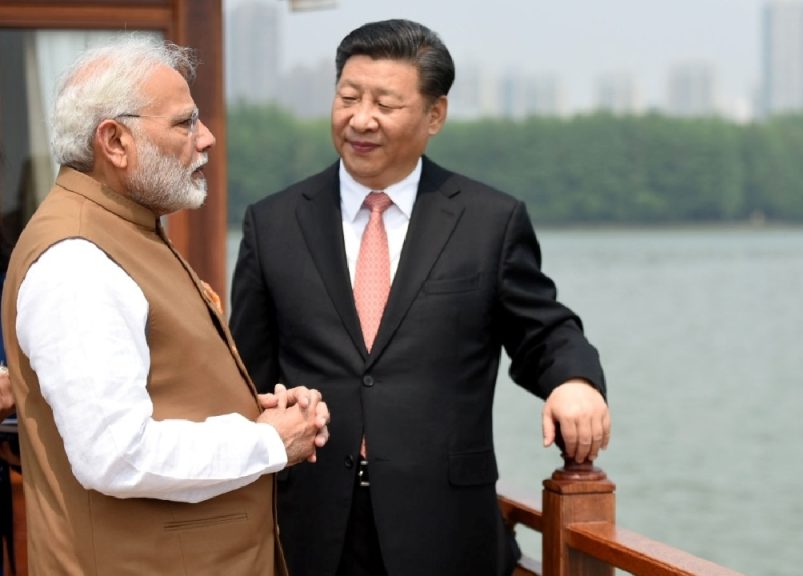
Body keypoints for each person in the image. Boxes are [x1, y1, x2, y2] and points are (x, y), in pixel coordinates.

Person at [229, 18, 610, 576]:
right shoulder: (274, 222)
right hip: (307, 526)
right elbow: (246, 374)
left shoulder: (488, 221)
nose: (361, 119)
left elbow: (544, 331)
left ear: (435, 115)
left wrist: (574, 381)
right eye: (348, 97)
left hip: (447, 530)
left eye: (385, 103)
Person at [0, 36, 330, 575]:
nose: (207, 138)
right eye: (184, 123)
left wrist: (257, 413)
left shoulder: (125, 228)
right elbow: (117, 455)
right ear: (115, 141)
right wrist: (266, 442)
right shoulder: (77, 261)